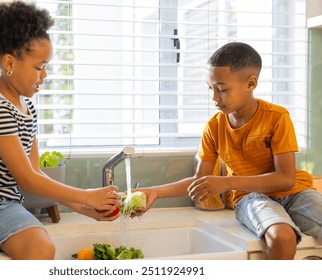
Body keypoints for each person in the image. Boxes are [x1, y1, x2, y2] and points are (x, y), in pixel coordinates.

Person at [0, 1, 120, 260]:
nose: (44, 75)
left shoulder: (28, 107)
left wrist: (81, 207)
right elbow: (27, 180)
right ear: (9, 62)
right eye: (39, 67)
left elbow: (35, 172)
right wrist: (87, 196)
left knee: (41, 249)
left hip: (5, 204)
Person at [137, 42, 322, 260]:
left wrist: (227, 182)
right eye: (211, 89)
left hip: (297, 193)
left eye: (222, 89)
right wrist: (156, 192)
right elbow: (201, 180)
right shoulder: (214, 127)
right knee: (282, 237)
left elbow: (285, 179)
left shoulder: (277, 117)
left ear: (251, 83)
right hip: (251, 198)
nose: (215, 97)